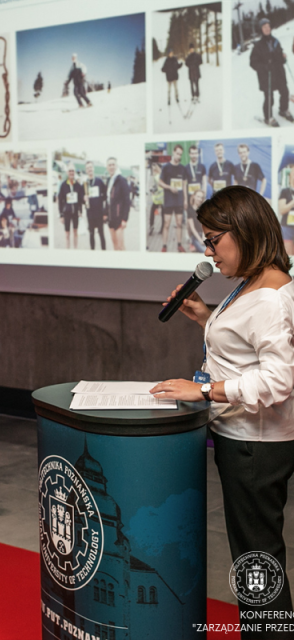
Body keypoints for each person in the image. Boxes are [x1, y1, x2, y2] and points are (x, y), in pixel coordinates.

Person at [151, 185, 294, 640]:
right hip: (245, 438)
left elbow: (277, 381)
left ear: (246, 231)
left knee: (257, 557)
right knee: (255, 554)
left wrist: (205, 391)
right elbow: (244, 350)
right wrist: (202, 315)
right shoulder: (254, 282)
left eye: (214, 239)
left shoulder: (270, 297)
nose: (208, 251)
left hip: (255, 445)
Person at [250, 17, 294, 126]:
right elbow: (253, 63)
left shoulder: (275, 41)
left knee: (284, 91)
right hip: (267, 75)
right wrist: (264, 67)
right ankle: (268, 117)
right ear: (261, 29)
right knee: (269, 97)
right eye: (264, 27)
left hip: (279, 72)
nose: (267, 28)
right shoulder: (258, 46)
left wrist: (283, 57)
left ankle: (283, 110)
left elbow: (280, 54)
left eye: (268, 26)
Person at [159, 144, 186, 252]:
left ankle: (179, 244)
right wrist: (170, 187)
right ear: (173, 153)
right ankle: (164, 246)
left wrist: (184, 200)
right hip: (169, 200)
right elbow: (160, 182)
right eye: (177, 153)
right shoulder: (166, 167)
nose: (178, 156)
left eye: (180, 154)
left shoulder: (182, 168)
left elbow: (184, 185)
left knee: (179, 222)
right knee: (167, 223)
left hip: (179, 200)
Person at [105, 157, 129, 251]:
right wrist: (105, 213)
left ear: (116, 166)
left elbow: (127, 200)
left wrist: (124, 219)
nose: (111, 167)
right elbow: (107, 199)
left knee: (120, 246)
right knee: (114, 245)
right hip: (110, 218)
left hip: (119, 218)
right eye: (109, 165)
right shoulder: (108, 180)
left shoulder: (122, 180)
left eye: (113, 164)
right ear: (107, 167)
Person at [58, 166, 84, 249]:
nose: (71, 173)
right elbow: (60, 201)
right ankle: (67, 250)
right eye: (70, 171)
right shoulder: (63, 185)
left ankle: (75, 249)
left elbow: (80, 200)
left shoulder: (78, 185)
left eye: (73, 171)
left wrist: (81, 211)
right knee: (67, 233)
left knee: (75, 232)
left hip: (75, 212)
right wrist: (61, 215)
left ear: (74, 172)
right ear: (67, 173)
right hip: (67, 213)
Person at [84, 160, 107, 251]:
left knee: (101, 234)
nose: (89, 169)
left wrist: (100, 202)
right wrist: (83, 198)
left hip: (99, 213)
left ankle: (103, 252)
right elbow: (82, 198)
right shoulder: (85, 183)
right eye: (87, 168)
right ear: (86, 170)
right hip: (90, 213)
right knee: (91, 234)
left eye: (91, 167)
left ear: (93, 168)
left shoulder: (99, 181)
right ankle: (92, 252)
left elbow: (105, 195)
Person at [183, 145, 207, 211]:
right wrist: (185, 199)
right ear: (189, 154)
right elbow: (184, 185)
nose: (194, 155)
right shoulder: (186, 168)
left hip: (199, 198)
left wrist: (204, 196)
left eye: (196, 153)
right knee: (190, 217)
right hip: (190, 197)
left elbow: (204, 182)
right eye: (192, 153)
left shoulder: (202, 167)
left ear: (198, 154)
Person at [278, 165, 294, 256]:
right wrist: (292, 203)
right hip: (287, 227)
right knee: (288, 256)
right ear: (290, 176)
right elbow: (282, 210)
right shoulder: (285, 191)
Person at [149, 163, 164, 235]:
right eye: (153, 168)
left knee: (152, 212)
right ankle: (162, 228)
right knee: (163, 214)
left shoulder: (156, 177)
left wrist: (152, 190)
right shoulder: (162, 175)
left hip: (158, 198)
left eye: (154, 168)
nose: (153, 170)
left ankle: (151, 226)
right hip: (162, 198)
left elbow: (156, 187)